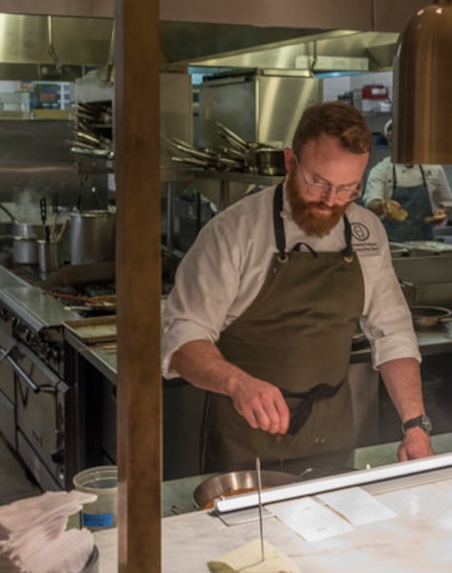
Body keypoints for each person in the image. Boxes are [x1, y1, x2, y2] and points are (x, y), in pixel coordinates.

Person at [163, 102, 435, 475]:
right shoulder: (233, 231)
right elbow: (182, 338)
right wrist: (238, 383)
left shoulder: (366, 231)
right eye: (318, 182)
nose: (329, 201)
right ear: (290, 162)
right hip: (245, 442)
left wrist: (415, 425)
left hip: (331, 437)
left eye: (347, 189)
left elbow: (393, 332)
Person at [363, 120, 452, 242]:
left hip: (426, 242)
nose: (402, 145)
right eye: (394, 140)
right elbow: (371, 203)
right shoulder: (381, 171)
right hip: (390, 244)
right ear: (390, 142)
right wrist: (383, 206)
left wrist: (443, 212)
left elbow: (447, 202)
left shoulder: (434, 168)